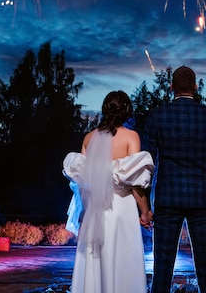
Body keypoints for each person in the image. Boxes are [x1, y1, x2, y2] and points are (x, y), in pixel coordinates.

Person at [143, 66, 206, 293]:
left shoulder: (157, 115)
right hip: (201, 198)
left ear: (171, 87)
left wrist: (143, 201)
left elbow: (146, 164)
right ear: (195, 87)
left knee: (162, 265)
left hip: (168, 198)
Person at [63, 90, 154, 293]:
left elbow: (83, 183)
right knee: (122, 260)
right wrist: (146, 212)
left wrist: (84, 212)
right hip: (121, 210)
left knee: (94, 260)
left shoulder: (89, 138)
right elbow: (136, 183)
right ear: (127, 112)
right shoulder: (131, 137)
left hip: (95, 210)